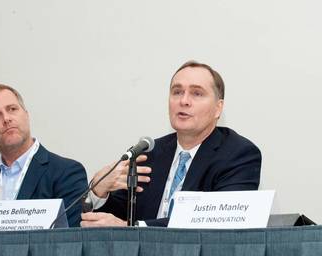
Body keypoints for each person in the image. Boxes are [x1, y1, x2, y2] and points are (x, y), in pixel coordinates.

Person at [81, 60, 262, 227]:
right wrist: (99, 191)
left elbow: (216, 223)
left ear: (218, 108)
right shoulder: (148, 153)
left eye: (197, 93)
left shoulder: (239, 154)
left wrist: (134, 228)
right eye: (177, 92)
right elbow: (108, 222)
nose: (183, 101)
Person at [0, 84, 88, 227]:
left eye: (12, 109)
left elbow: (70, 241)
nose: (6, 118)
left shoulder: (67, 173)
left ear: (26, 115)